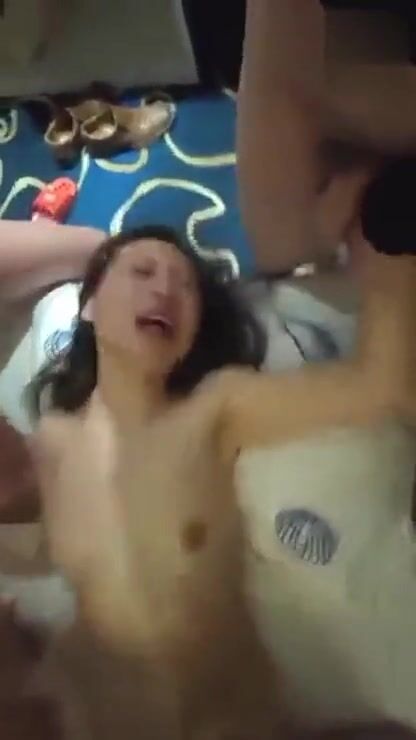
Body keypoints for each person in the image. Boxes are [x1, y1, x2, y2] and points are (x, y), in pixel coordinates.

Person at [18, 221, 411, 739]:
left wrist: (388, 246)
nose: (165, 289)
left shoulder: (214, 412)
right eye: (142, 271)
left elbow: (380, 387)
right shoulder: (51, 442)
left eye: (186, 286)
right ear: (88, 306)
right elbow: (29, 551)